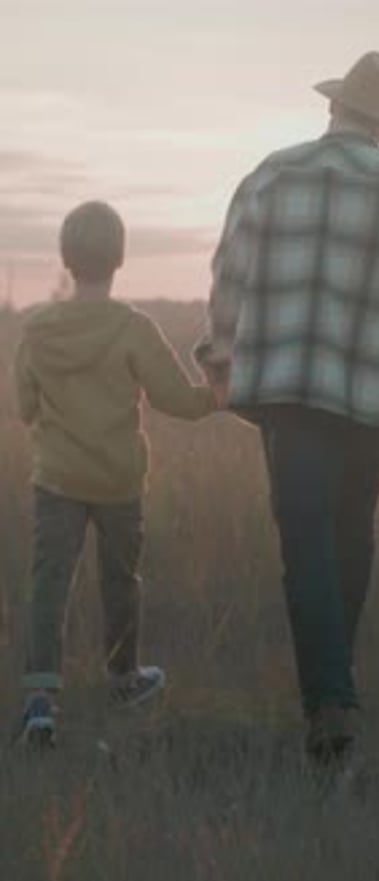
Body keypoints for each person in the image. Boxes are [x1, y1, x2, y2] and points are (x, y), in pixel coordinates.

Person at [195, 51, 379, 763]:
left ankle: (331, 701)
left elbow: (229, 273)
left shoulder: (272, 174)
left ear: (334, 107)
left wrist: (220, 358)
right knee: (350, 532)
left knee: (306, 537)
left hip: (286, 387)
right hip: (372, 394)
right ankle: (334, 695)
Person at [15, 200, 221, 747]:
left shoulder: (36, 330)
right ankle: (124, 679)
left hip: (56, 478)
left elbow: (24, 406)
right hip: (118, 482)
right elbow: (176, 399)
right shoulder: (134, 327)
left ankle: (39, 701)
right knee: (120, 580)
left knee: (48, 584)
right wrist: (216, 396)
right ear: (119, 259)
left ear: (65, 257)